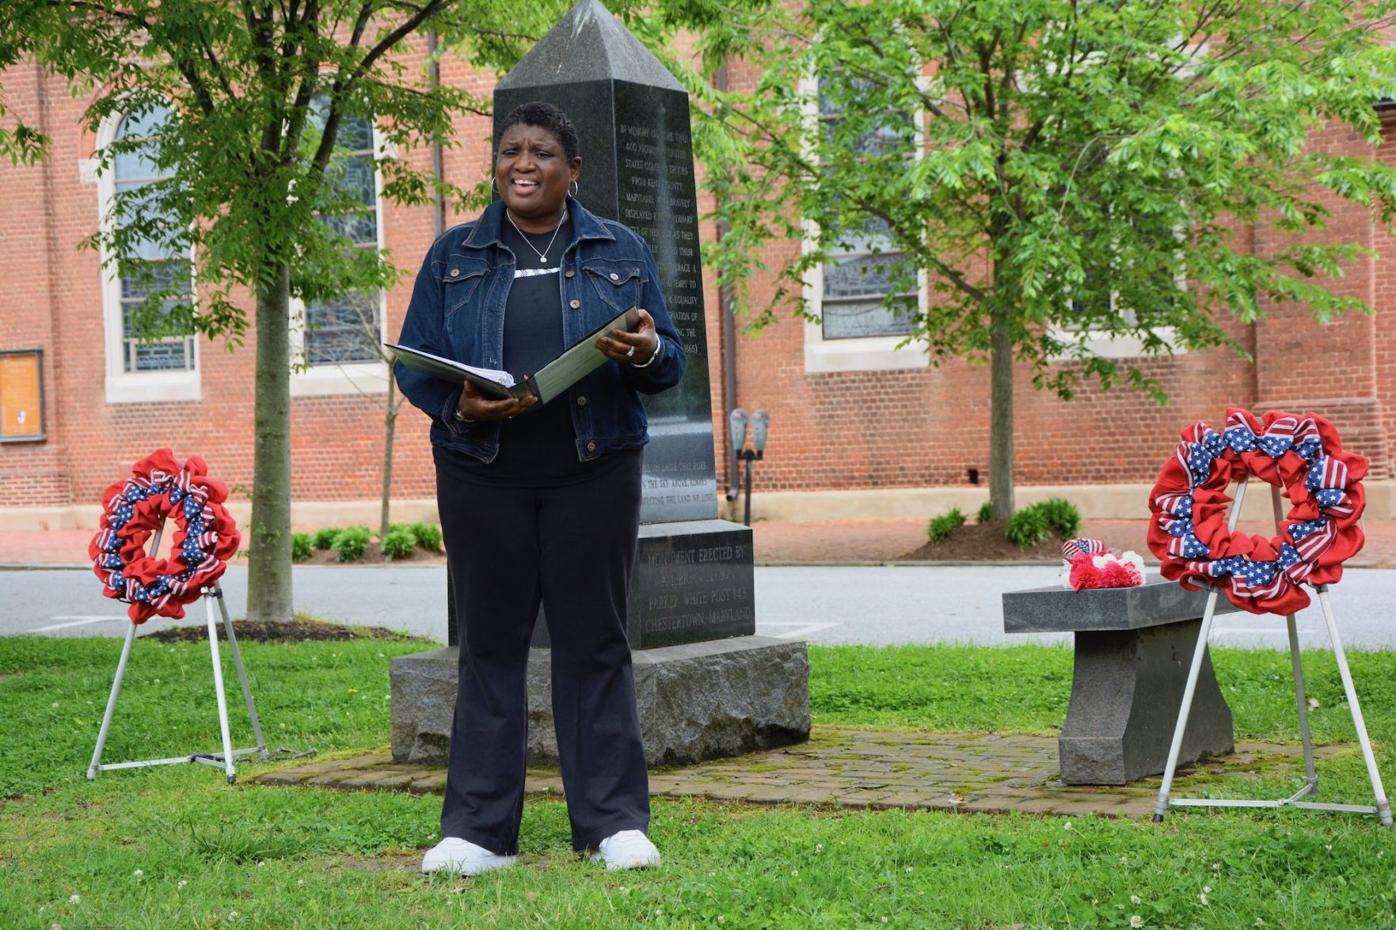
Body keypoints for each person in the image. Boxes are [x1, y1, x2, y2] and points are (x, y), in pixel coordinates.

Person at [393, 101, 686, 876]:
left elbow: (670, 360)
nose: (524, 163)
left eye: (543, 152)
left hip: (594, 473)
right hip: (481, 475)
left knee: (595, 643)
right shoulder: (453, 253)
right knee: (488, 646)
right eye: (511, 150)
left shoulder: (617, 249)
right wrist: (457, 400)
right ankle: (479, 834)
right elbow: (413, 362)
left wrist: (647, 347)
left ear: (574, 169)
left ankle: (613, 824)